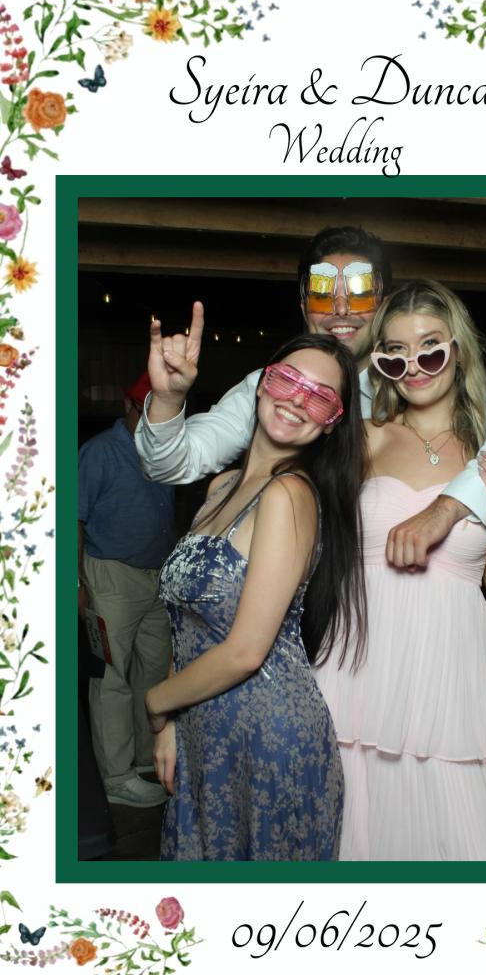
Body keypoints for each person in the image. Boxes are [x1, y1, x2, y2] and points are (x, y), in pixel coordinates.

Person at [134, 226, 486, 564]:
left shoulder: (416, 379)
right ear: (303, 305)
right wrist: (168, 400)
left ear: (383, 304)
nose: (340, 310)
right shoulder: (275, 388)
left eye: (359, 292)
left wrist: (447, 509)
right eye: (322, 294)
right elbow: (171, 464)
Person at [313, 280, 486, 861]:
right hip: (356, 677)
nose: (413, 367)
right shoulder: (363, 438)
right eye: (395, 353)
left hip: (449, 687)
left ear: (458, 349)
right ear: (380, 363)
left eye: (430, 348)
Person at [145, 333, 367, 861]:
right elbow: (189, 624)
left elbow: (245, 652)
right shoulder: (221, 488)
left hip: (270, 741)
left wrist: (156, 702)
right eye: (288, 380)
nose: (297, 400)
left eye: (321, 397)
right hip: (203, 727)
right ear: (263, 385)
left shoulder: (290, 494)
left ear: (332, 422)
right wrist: (174, 724)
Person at [78, 373, 176, 808]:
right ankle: (115, 777)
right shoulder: (100, 452)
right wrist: (75, 582)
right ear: (128, 405)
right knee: (111, 677)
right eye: (147, 412)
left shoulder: (166, 450)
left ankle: (143, 758)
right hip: (111, 575)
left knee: (153, 673)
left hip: (157, 576)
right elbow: (72, 517)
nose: (155, 422)